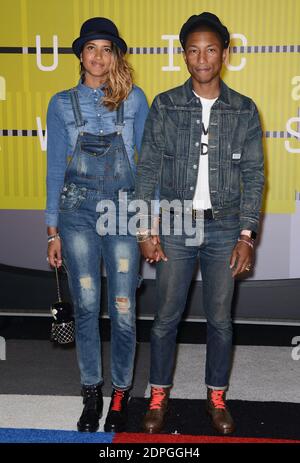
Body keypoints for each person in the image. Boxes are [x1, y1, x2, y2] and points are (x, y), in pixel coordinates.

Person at [135, 12, 264, 434]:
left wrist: (247, 235)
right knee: (165, 318)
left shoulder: (244, 109)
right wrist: (144, 228)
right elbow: (148, 170)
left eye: (211, 49)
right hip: (174, 224)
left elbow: (253, 176)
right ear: (184, 55)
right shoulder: (165, 105)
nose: (202, 57)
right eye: (193, 49)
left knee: (221, 319)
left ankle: (216, 397)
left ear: (225, 53)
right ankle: (158, 396)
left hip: (226, 226)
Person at [46, 17, 149, 433]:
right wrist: (52, 229)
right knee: (87, 306)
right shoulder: (60, 103)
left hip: (125, 212)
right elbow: (55, 169)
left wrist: (147, 223)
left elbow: (146, 169)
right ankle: (92, 394)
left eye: (107, 48)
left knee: (123, 309)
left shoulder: (136, 100)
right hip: (76, 214)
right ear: (80, 55)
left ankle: (121, 395)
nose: (99, 56)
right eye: (92, 48)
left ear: (116, 55)